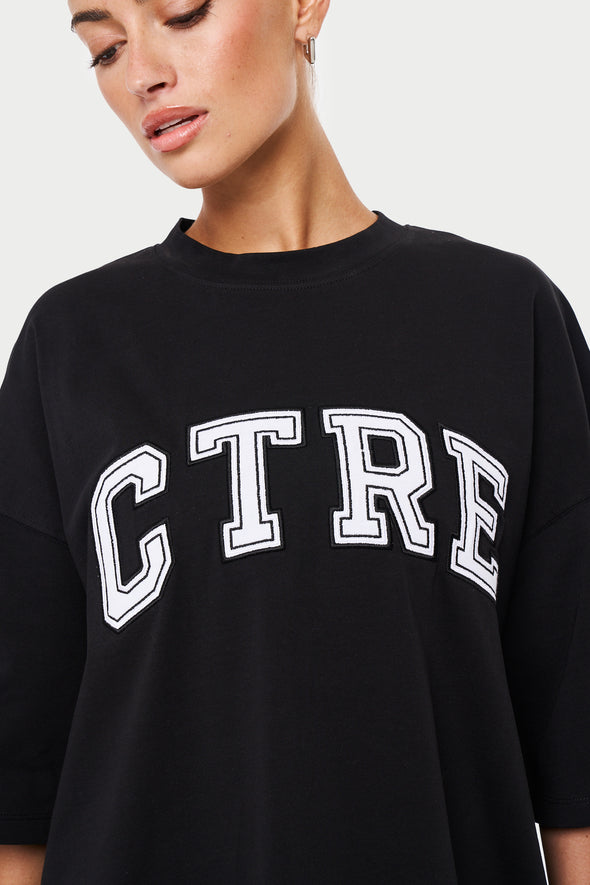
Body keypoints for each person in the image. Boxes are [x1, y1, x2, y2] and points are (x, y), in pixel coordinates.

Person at [0, 0, 589, 882]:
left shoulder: (505, 317)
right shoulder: (72, 345)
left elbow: (576, 745)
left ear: (306, 7)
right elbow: (19, 783)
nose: (143, 74)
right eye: (106, 49)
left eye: (182, 13)